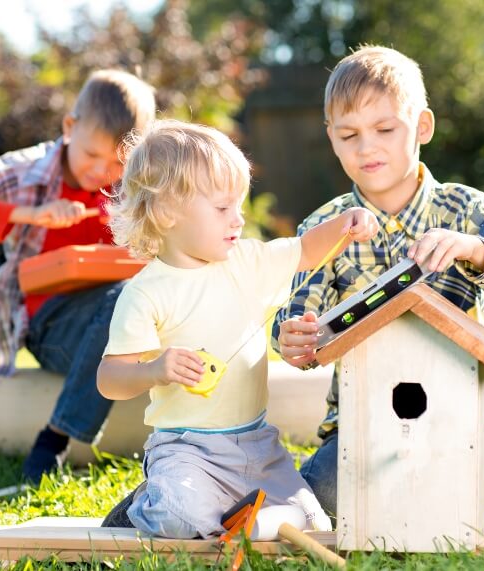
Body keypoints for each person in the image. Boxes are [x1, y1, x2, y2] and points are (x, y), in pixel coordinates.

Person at [271, 45, 484, 526]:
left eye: (384, 129)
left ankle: (470, 489)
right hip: (362, 427)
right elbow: (296, 317)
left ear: (422, 127)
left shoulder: (463, 209)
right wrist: (292, 338)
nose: (366, 148)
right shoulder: (325, 226)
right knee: (323, 501)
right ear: (331, 140)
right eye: (348, 135)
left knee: (469, 492)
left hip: (470, 423)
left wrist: (473, 248)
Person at [96, 119, 380, 537]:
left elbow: (305, 250)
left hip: (257, 446)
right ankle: (148, 502)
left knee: (314, 526)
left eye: (239, 207)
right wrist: (154, 369)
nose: (237, 220)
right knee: (181, 518)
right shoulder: (145, 293)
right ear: (166, 211)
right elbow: (109, 379)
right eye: (222, 208)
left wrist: (345, 224)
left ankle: (227, 512)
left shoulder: (245, 261)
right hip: (187, 451)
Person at [0, 69, 156, 483]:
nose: (103, 172)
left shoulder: (136, 182)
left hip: (132, 326)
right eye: (92, 155)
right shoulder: (29, 168)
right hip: (52, 326)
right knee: (123, 300)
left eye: (119, 162)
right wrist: (22, 215)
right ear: (69, 127)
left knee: (136, 297)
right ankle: (56, 438)